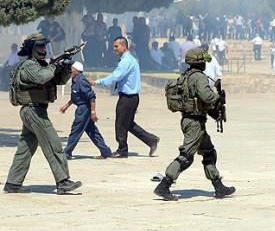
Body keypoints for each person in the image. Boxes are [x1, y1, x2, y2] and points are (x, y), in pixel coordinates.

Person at [4, 33, 82, 194]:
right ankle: (63, 181)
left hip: (35, 110)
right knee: (53, 144)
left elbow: (58, 81)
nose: (43, 49)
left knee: (25, 148)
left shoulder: (41, 65)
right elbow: (42, 77)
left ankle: (13, 183)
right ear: (31, 49)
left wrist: (65, 67)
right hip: (33, 111)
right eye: (40, 46)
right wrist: (55, 65)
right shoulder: (29, 66)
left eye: (44, 46)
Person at [154, 47, 236, 201]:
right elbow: (207, 96)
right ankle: (164, 185)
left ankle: (218, 187)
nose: (205, 63)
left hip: (192, 120)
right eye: (203, 60)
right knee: (186, 156)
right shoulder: (199, 77)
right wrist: (218, 96)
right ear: (199, 61)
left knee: (209, 152)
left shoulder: (186, 75)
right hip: (194, 123)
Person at [88, 37, 160, 158]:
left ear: (124, 46)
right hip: (132, 98)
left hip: (127, 98)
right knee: (128, 123)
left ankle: (122, 149)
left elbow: (116, 76)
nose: (114, 49)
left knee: (120, 123)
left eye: (116, 46)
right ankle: (151, 140)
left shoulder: (126, 61)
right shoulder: (128, 59)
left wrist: (97, 82)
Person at [60, 61, 112, 159]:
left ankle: (67, 152)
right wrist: (66, 106)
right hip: (82, 107)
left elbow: (91, 97)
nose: (70, 71)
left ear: (76, 71)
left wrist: (93, 112)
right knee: (92, 131)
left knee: (76, 129)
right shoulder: (75, 80)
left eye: (71, 69)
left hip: (84, 109)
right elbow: (76, 96)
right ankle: (106, 151)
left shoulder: (81, 81)